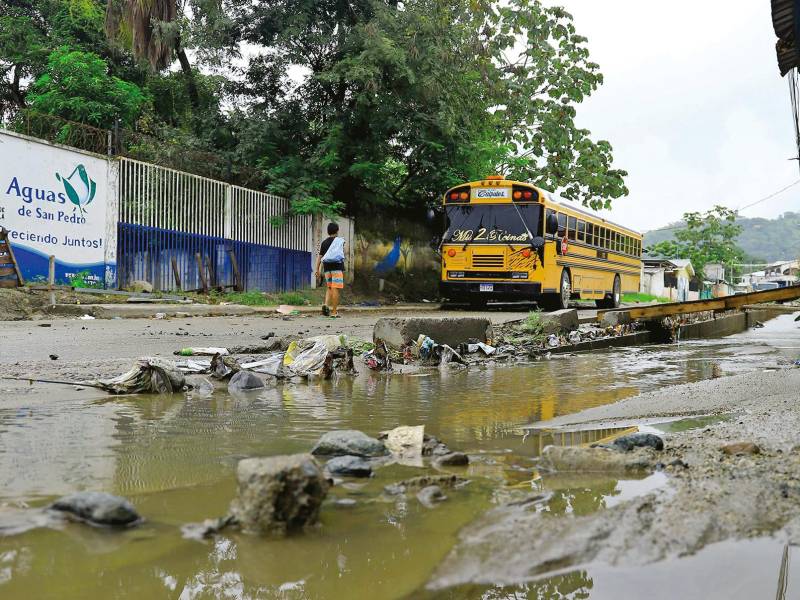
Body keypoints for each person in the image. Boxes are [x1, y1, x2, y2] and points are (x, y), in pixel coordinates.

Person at [316, 222, 346, 317]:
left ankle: (325, 305)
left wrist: (317, 269)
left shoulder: (324, 242)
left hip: (327, 268)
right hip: (337, 268)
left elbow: (319, 257)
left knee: (329, 288)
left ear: (328, 231)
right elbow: (341, 254)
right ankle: (334, 312)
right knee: (335, 288)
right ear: (337, 230)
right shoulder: (339, 241)